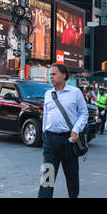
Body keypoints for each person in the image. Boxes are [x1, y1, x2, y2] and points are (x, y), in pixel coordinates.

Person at [38, 63, 88, 198]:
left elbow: (84, 113)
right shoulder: (49, 94)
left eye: (54, 74)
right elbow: (46, 116)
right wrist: (44, 134)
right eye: (50, 75)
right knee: (47, 177)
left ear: (64, 75)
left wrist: (76, 130)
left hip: (68, 140)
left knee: (71, 176)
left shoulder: (75, 92)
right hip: (50, 140)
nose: (51, 77)